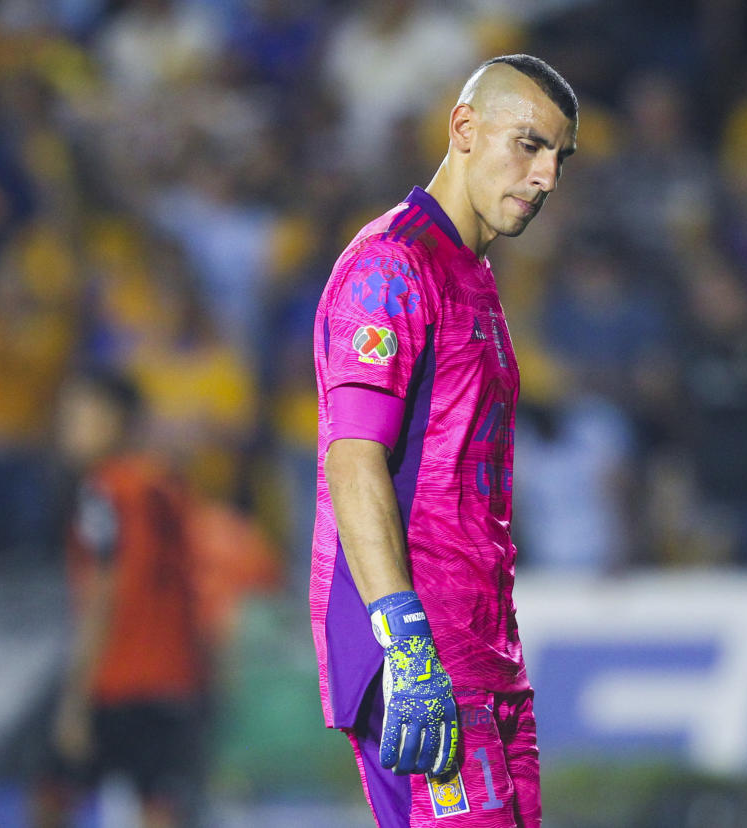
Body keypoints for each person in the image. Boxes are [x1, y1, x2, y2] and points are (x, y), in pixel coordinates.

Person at [309, 55, 577, 827]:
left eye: (560, 156)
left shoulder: (475, 276)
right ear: (463, 128)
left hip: (482, 641)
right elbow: (352, 458)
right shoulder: (390, 268)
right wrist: (406, 642)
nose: (547, 176)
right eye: (528, 145)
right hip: (424, 644)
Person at [33, 369, 207, 828]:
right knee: (157, 805)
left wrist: (76, 697)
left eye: (80, 416)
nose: (68, 428)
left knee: (52, 792)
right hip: (176, 676)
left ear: (118, 421)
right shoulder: (166, 484)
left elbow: (103, 596)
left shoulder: (103, 490)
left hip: (117, 677)